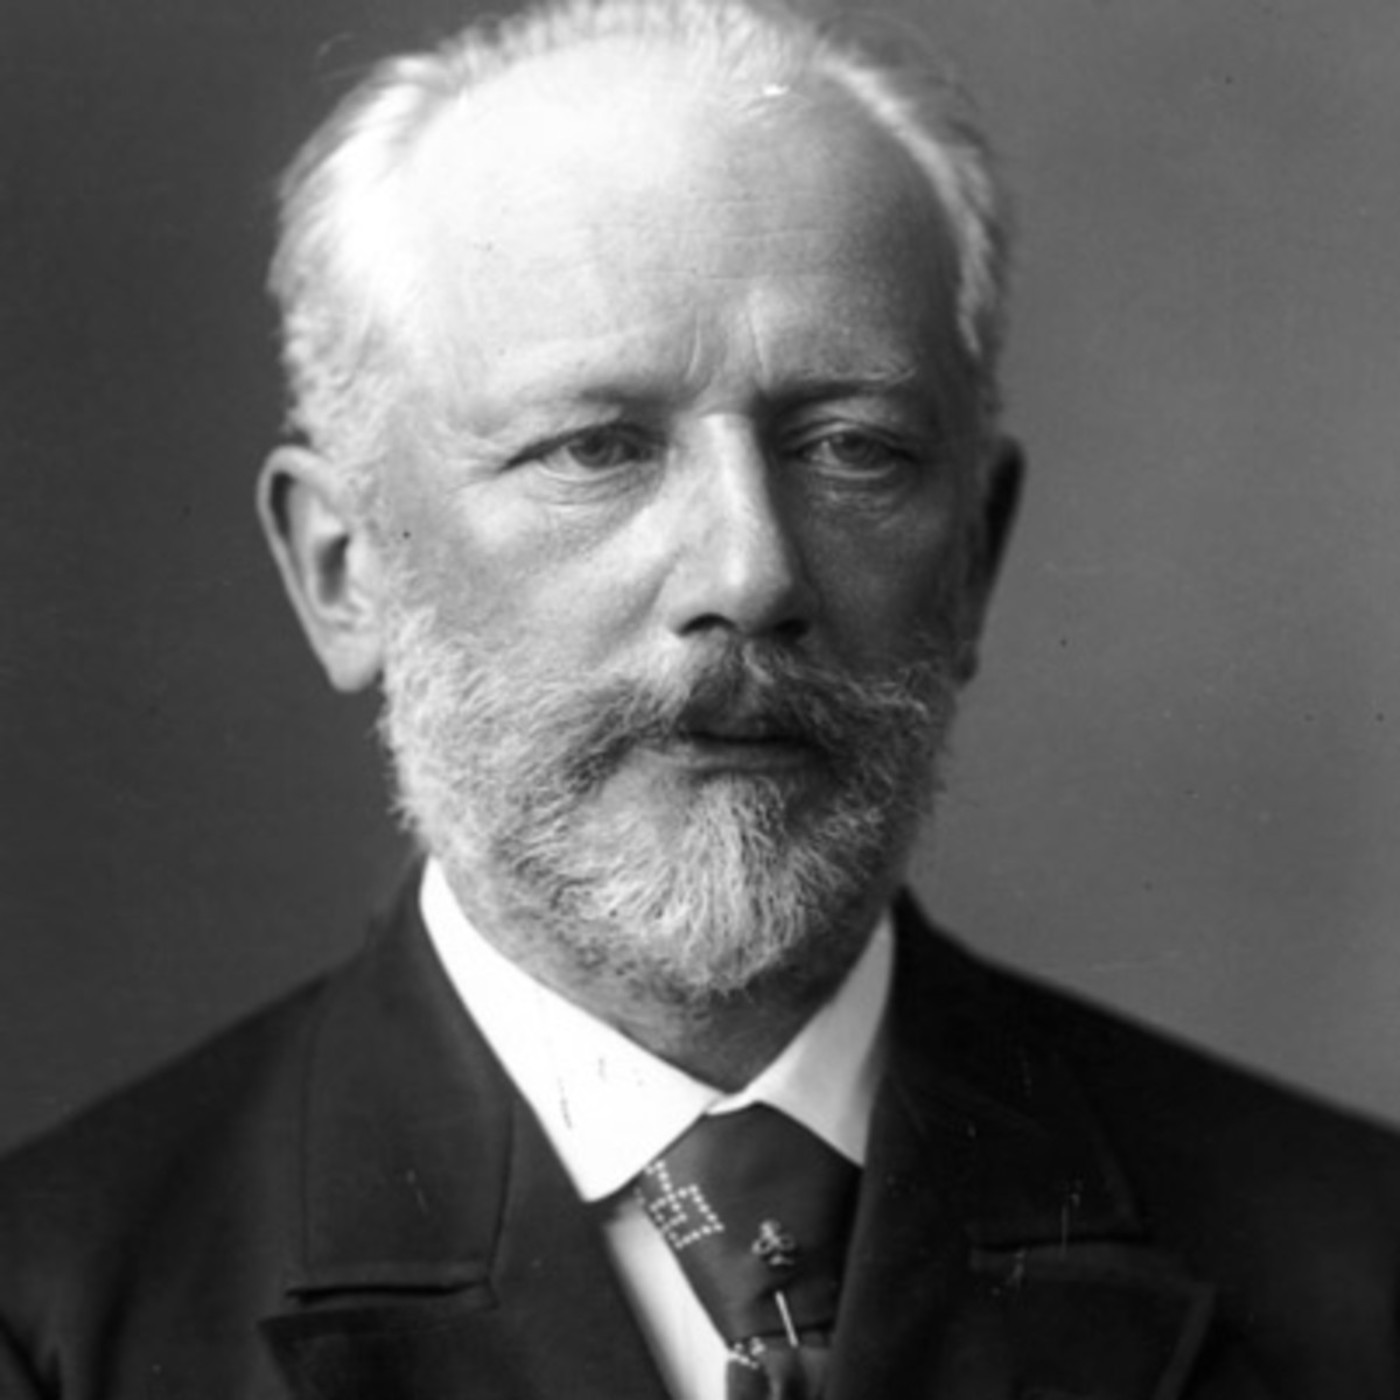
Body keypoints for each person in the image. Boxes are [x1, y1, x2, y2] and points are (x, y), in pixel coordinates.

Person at [0, 1, 1396, 1396]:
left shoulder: (1361, 1276)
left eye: (851, 447)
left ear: (975, 554)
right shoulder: (53, 1322)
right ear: (343, 567)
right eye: (594, 449)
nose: (750, 572)